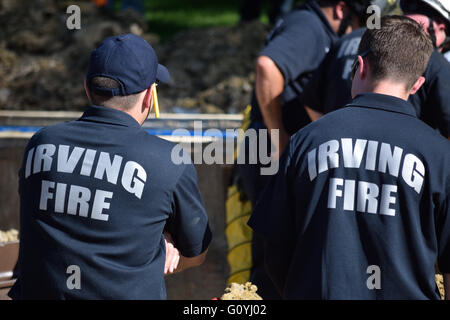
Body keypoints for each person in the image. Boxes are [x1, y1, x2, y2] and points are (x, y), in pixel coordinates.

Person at [249, 16, 450, 299]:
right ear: (417, 84)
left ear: (360, 66)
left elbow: (274, 246)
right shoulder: (440, 155)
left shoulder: (307, 140)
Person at [8, 34, 212, 300]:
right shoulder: (169, 161)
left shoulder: (40, 144)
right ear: (150, 96)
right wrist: (157, 247)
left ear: (86, 87)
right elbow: (195, 255)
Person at [304, 0, 450, 138]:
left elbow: (311, 103)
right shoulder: (433, 59)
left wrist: (331, 139)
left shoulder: (346, 40)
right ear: (440, 26)